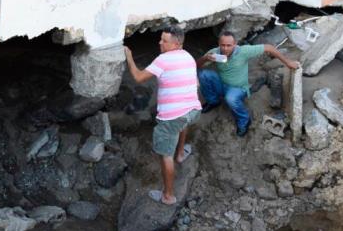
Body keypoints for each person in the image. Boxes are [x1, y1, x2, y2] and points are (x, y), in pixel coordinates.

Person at [123, 26, 200, 205]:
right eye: (160, 39)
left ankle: (168, 196)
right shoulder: (188, 56)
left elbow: (139, 77)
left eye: (164, 41)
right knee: (183, 121)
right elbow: (195, 83)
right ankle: (181, 154)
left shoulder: (163, 60)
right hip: (193, 110)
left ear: (176, 43)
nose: (159, 42)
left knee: (166, 154)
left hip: (171, 117)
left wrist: (129, 57)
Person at [197, 32, 299, 137]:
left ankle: (244, 120)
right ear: (219, 43)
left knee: (230, 99)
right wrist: (206, 58)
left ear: (235, 44)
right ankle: (213, 101)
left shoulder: (243, 51)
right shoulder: (214, 53)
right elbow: (196, 65)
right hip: (222, 84)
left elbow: (269, 48)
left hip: (238, 88)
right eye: (223, 45)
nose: (225, 49)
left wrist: (288, 62)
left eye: (229, 45)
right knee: (203, 74)